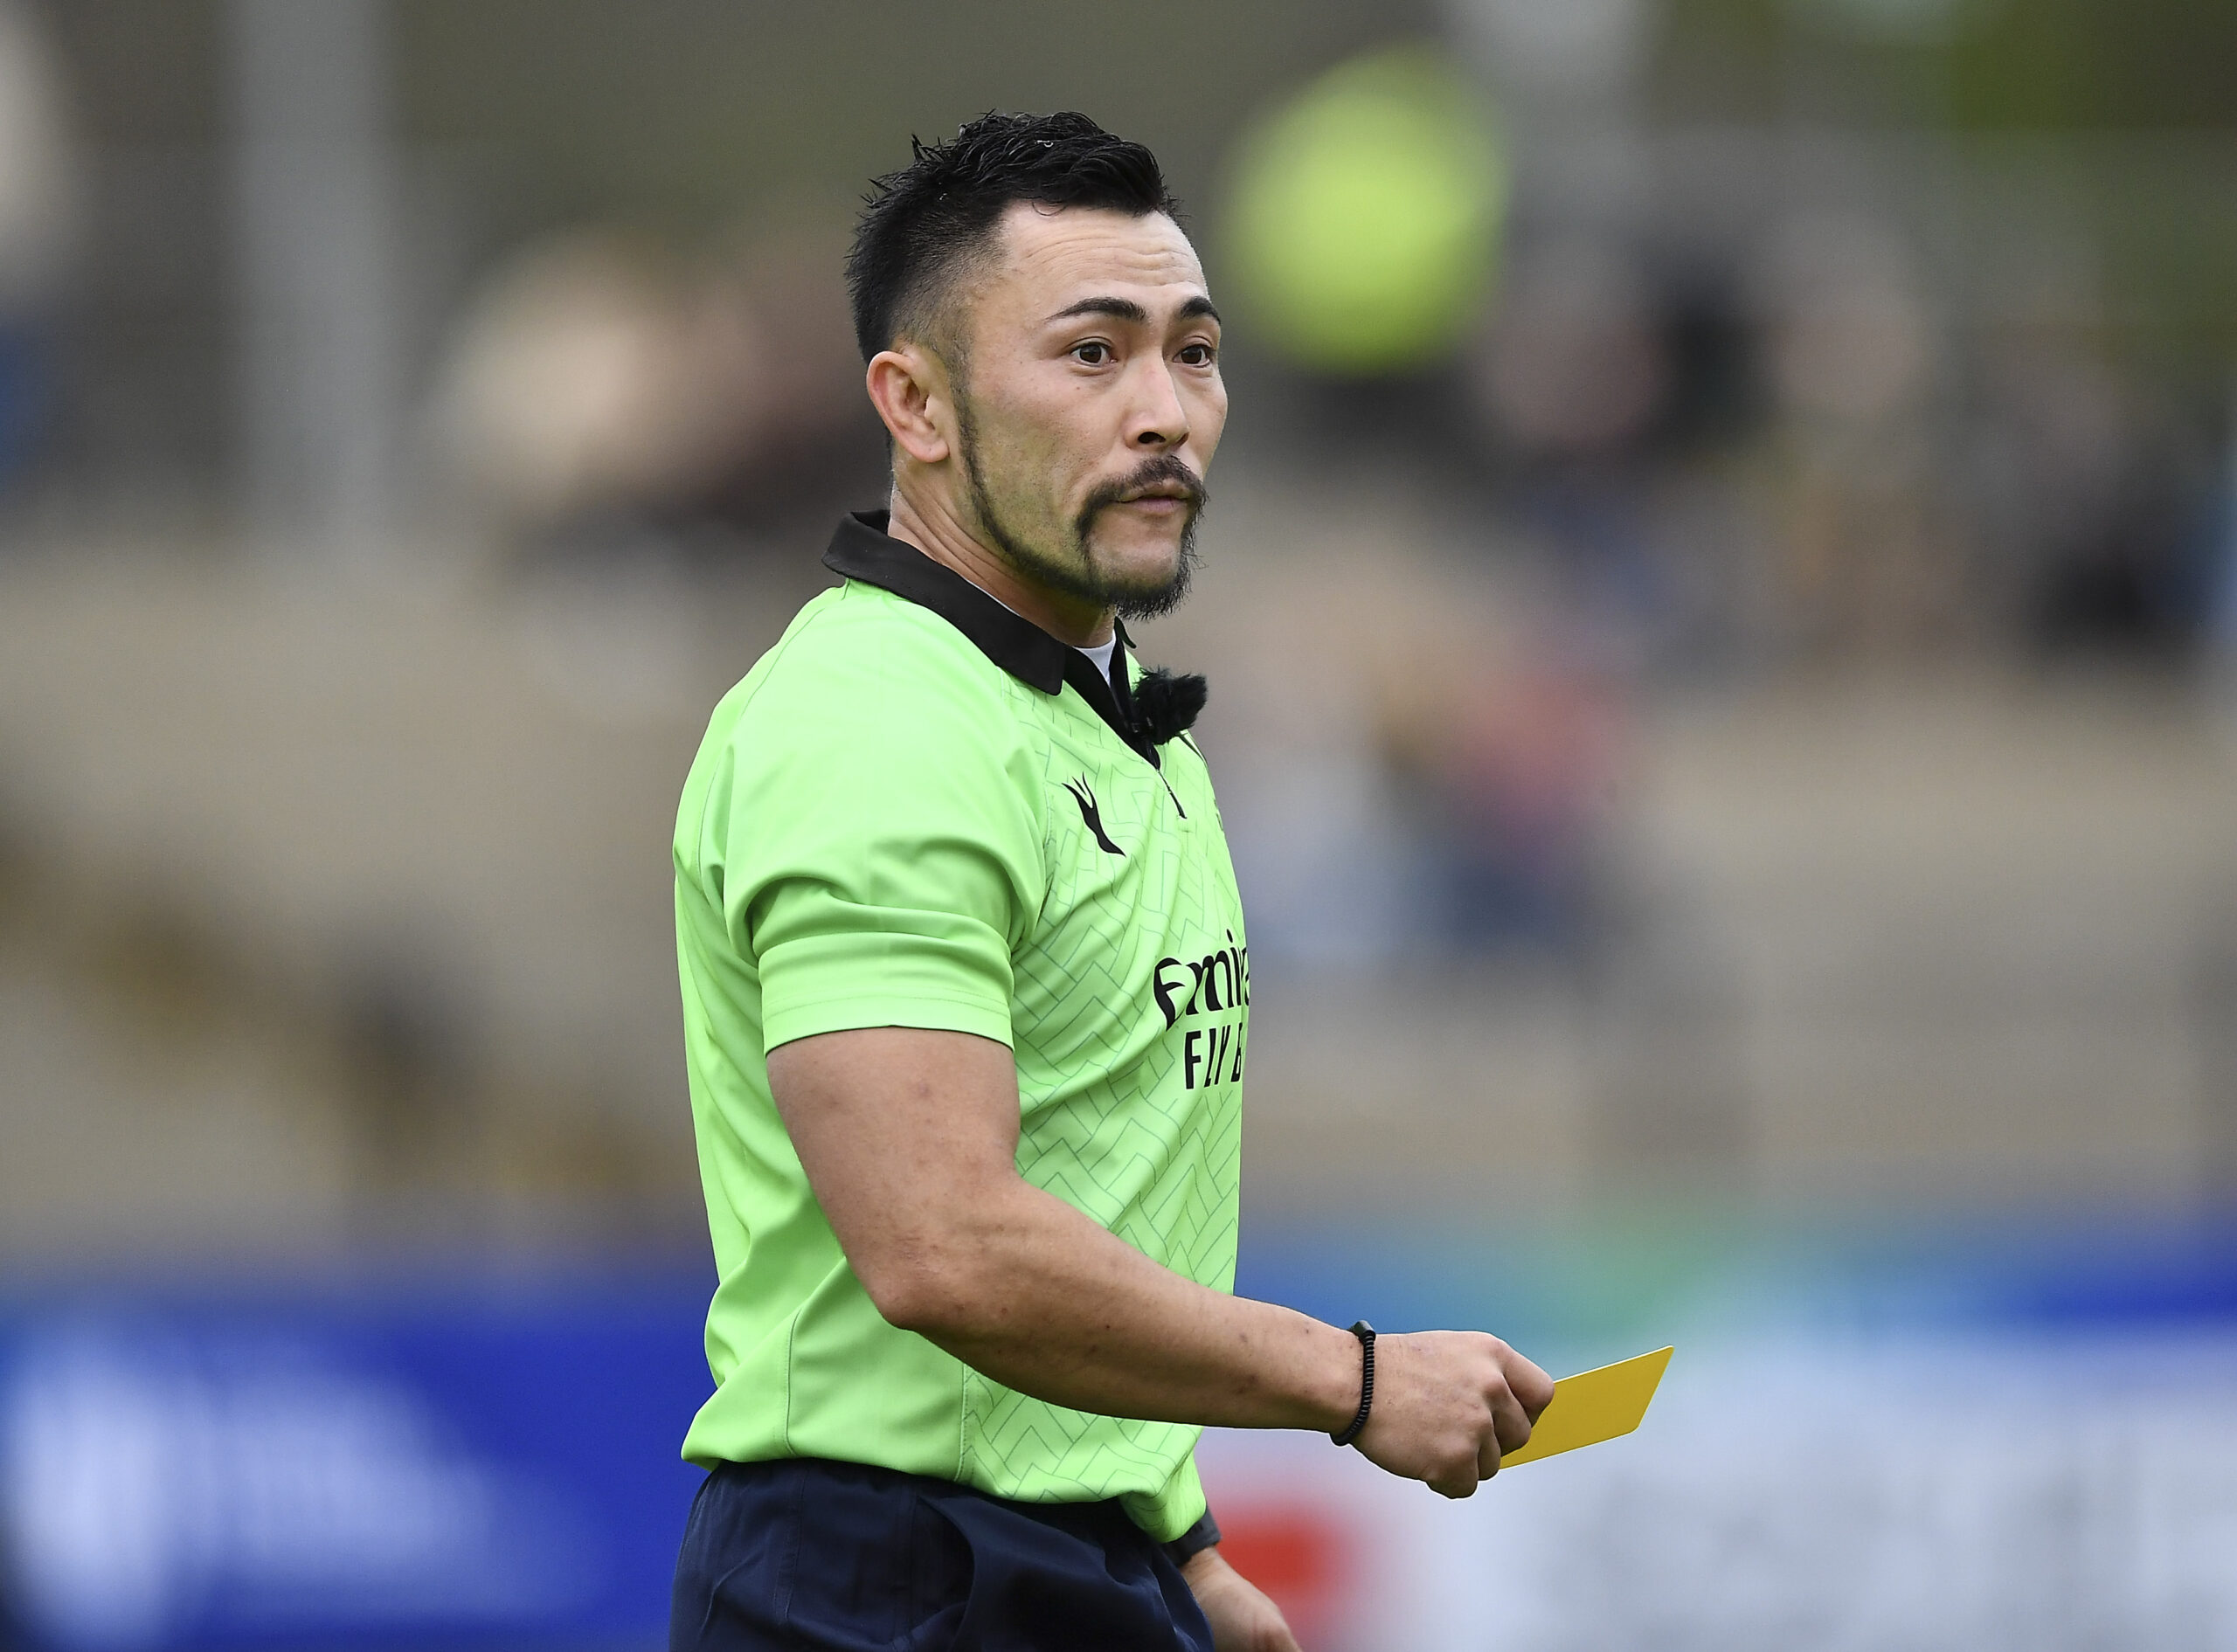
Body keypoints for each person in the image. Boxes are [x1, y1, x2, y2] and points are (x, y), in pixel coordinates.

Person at [669, 111, 1554, 1652]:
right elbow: (944, 1244)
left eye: (1193, 353)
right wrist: (1355, 1384)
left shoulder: (1108, 712)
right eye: (1092, 355)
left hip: (1049, 1555)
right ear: (915, 404)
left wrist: (1173, 1541)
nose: (1165, 413)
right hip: (887, 1582)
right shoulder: (879, 726)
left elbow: (1091, 1182)